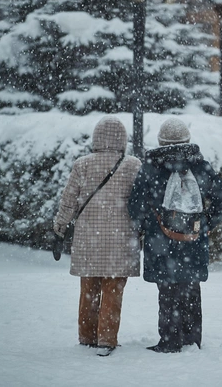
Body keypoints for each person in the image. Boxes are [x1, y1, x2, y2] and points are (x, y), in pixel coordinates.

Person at [128, 117, 222, 353]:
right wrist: (205, 223)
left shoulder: (151, 168)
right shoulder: (200, 166)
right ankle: (192, 339)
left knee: (167, 291)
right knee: (191, 288)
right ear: (187, 139)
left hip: (161, 241)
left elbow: (135, 206)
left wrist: (149, 225)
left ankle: (170, 340)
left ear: (160, 140)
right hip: (192, 241)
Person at [53, 116, 142, 357]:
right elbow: (140, 202)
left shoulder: (82, 164)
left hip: (88, 239)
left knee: (89, 288)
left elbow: (69, 200)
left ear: (96, 138)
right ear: (122, 139)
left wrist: (59, 226)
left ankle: (86, 335)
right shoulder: (132, 165)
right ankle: (106, 339)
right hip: (121, 239)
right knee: (113, 290)